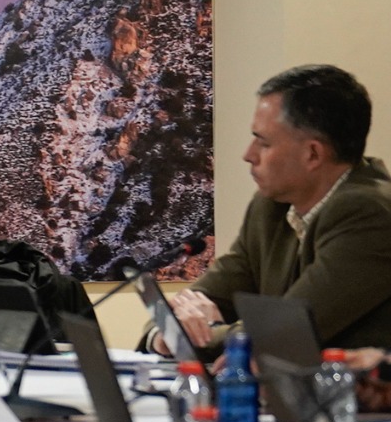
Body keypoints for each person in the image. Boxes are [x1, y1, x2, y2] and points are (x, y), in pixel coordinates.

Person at [166, 64, 391, 353]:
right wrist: (168, 328)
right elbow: (203, 299)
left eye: (263, 143)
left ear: (312, 154)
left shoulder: (370, 214)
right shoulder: (270, 207)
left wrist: (188, 334)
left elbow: (284, 332)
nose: (248, 155)